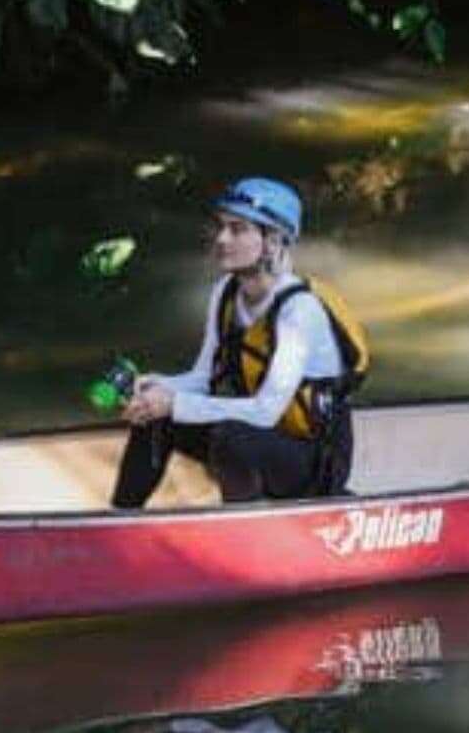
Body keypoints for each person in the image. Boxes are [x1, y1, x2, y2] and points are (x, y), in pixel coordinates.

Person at [111, 177, 368, 507]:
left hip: (312, 461)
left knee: (230, 436)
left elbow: (264, 411)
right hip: (259, 439)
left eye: (238, 229)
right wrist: (154, 387)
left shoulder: (299, 312)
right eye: (221, 227)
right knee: (155, 414)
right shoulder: (226, 293)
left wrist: (175, 403)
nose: (222, 239)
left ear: (273, 241)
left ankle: (245, 530)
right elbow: (204, 380)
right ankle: (119, 516)